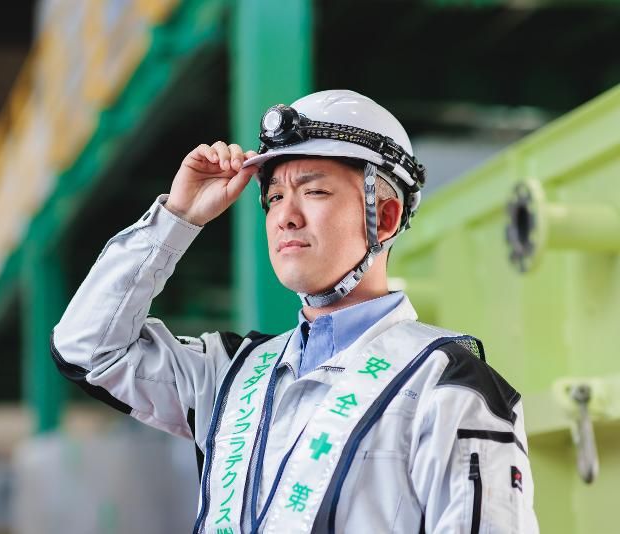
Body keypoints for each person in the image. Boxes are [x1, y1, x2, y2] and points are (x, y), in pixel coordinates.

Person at [51, 90, 539, 533]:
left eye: (315, 191)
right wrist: (178, 218)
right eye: (275, 197)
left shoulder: (449, 388)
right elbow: (87, 348)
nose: (285, 216)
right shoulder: (231, 375)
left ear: (386, 217)